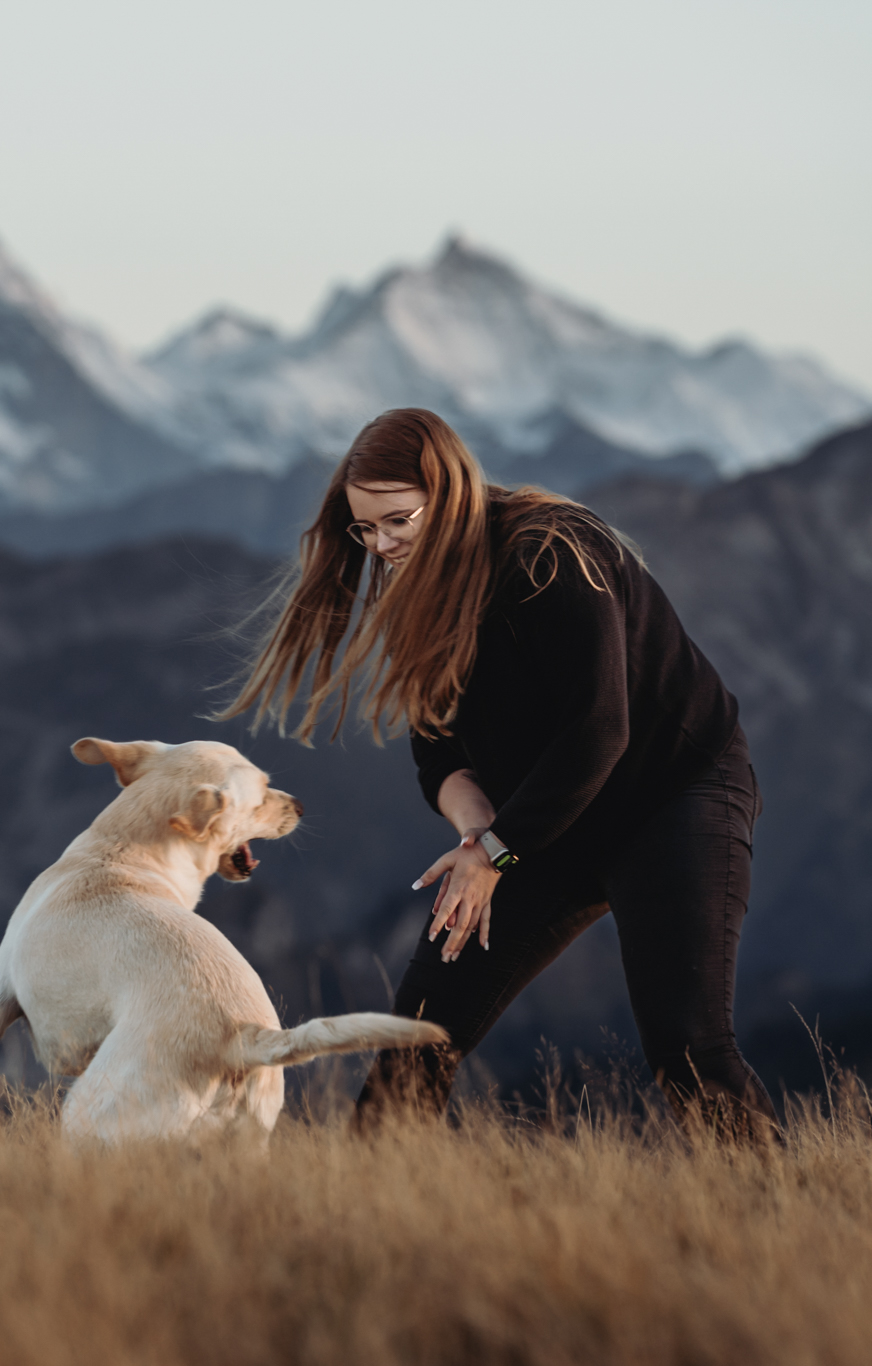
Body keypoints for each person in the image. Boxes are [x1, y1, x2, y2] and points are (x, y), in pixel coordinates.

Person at [218, 407, 778, 1139]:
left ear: (449, 495)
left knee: (687, 1045)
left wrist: (494, 854)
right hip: (541, 819)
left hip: (672, 798)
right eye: (365, 529)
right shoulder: (418, 592)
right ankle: (362, 1205)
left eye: (397, 521)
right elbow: (438, 755)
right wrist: (479, 835)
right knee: (416, 1036)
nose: (381, 546)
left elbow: (600, 731)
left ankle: (778, 1196)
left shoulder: (552, 554)